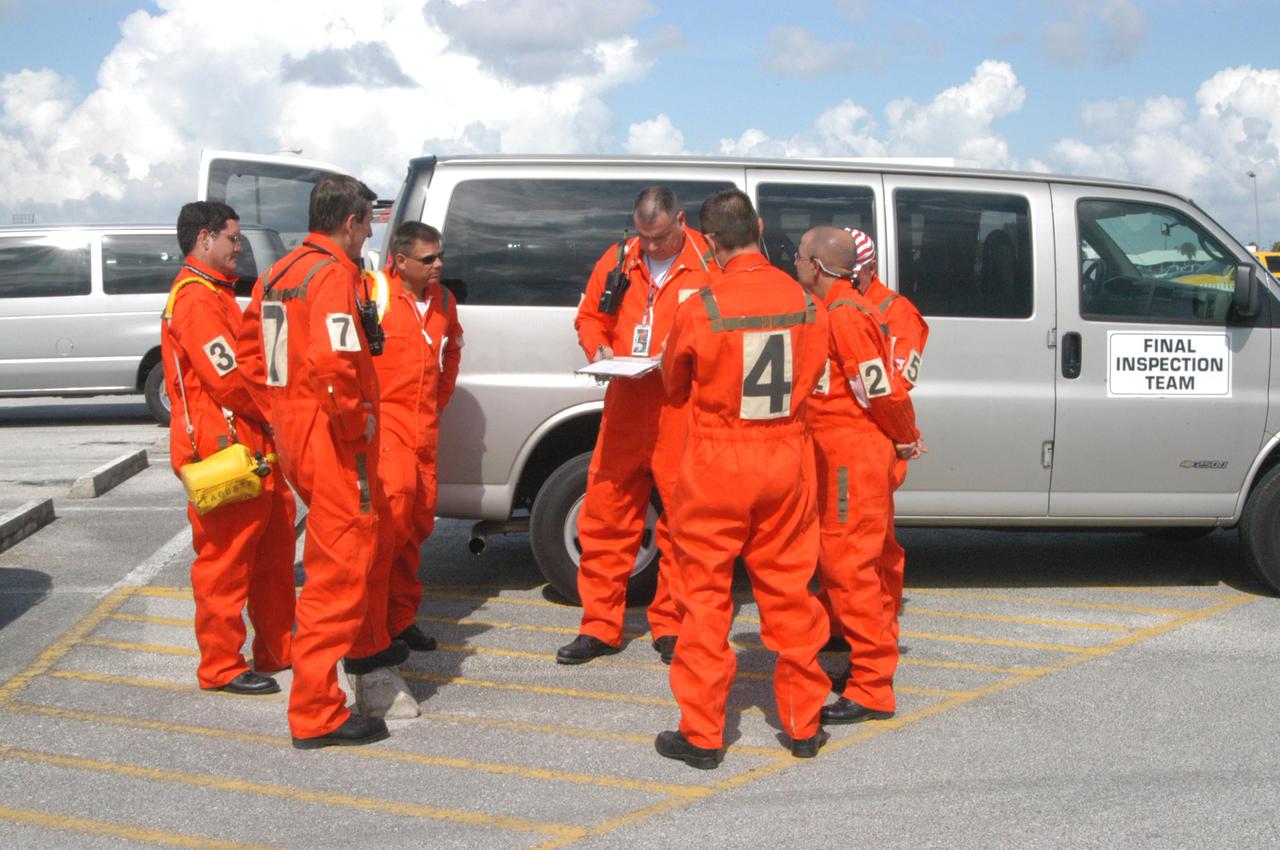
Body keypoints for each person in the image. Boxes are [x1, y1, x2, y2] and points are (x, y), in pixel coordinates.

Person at [656, 189, 831, 768]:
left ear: (708, 242)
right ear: (759, 226)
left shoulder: (700, 303)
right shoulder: (807, 300)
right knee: (790, 591)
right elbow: (815, 369)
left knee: (704, 599)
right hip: (785, 458)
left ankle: (703, 735)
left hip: (717, 463)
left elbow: (674, 384)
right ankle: (804, 724)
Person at [236, 175, 407, 749]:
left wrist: (279, 411)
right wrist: (352, 424)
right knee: (339, 568)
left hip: (298, 435)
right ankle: (316, 711)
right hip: (335, 444)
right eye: (367, 224)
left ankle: (360, 656)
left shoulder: (280, 272)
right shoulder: (332, 275)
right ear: (352, 222)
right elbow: (336, 363)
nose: (368, 236)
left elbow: (247, 355)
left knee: (349, 552)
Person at [558, 187, 717, 666]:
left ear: (681, 220)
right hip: (626, 401)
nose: (650, 247)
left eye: (660, 237)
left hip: (680, 404)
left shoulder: (709, 263)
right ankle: (600, 626)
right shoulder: (620, 257)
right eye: (644, 237)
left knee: (683, 519)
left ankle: (670, 624)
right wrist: (599, 350)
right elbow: (590, 318)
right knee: (606, 513)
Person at [160, 201, 297, 696]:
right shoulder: (196, 300)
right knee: (225, 562)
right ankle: (220, 665)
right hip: (225, 453)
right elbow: (229, 380)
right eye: (233, 239)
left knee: (273, 556)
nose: (239, 248)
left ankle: (278, 650)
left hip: (250, 449)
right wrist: (278, 410)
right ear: (204, 239)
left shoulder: (214, 294)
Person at [793, 226, 922, 725]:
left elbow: (881, 389)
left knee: (849, 567)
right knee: (868, 563)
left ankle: (872, 687)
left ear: (818, 267)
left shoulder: (846, 315)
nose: (795, 263)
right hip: (845, 455)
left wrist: (905, 435)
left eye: (800, 257)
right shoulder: (839, 309)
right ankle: (869, 661)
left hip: (851, 460)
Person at [365, 221, 463, 655]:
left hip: (424, 430)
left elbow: (453, 350)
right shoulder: (373, 296)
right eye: (428, 259)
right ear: (400, 261)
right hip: (387, 432)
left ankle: (401, 618)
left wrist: (438, 400)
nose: (438, 264)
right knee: (390, 528)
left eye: (440, 256)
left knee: (417, 527)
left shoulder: (443, 300)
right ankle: (374, 628)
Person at [848, 228, 929, 633]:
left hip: (872, 442)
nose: (847, 281)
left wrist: (904, 432)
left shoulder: (898, 313)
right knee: (837, 547)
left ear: (870, 269)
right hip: (839, 443)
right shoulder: (833, 304)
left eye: (854, 274)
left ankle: (879, 626)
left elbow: (895, 384)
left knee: (874, 547)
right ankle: (839, 625)